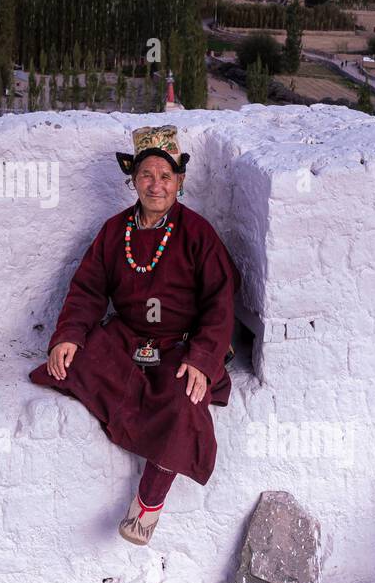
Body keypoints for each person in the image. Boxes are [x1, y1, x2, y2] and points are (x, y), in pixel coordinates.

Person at [28, 124, 239, 546]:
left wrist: (203, 358)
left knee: (184, 400)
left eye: (165, 176)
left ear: (179, 181)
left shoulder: (198, 235)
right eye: (146, 175)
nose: (155, 185)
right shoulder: (115, 231)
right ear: (133, 180)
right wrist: (68, 334)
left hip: (182, 344)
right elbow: (87, 289)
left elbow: (221, 303)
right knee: (75, 365)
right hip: (127, 338)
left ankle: (147, 504)